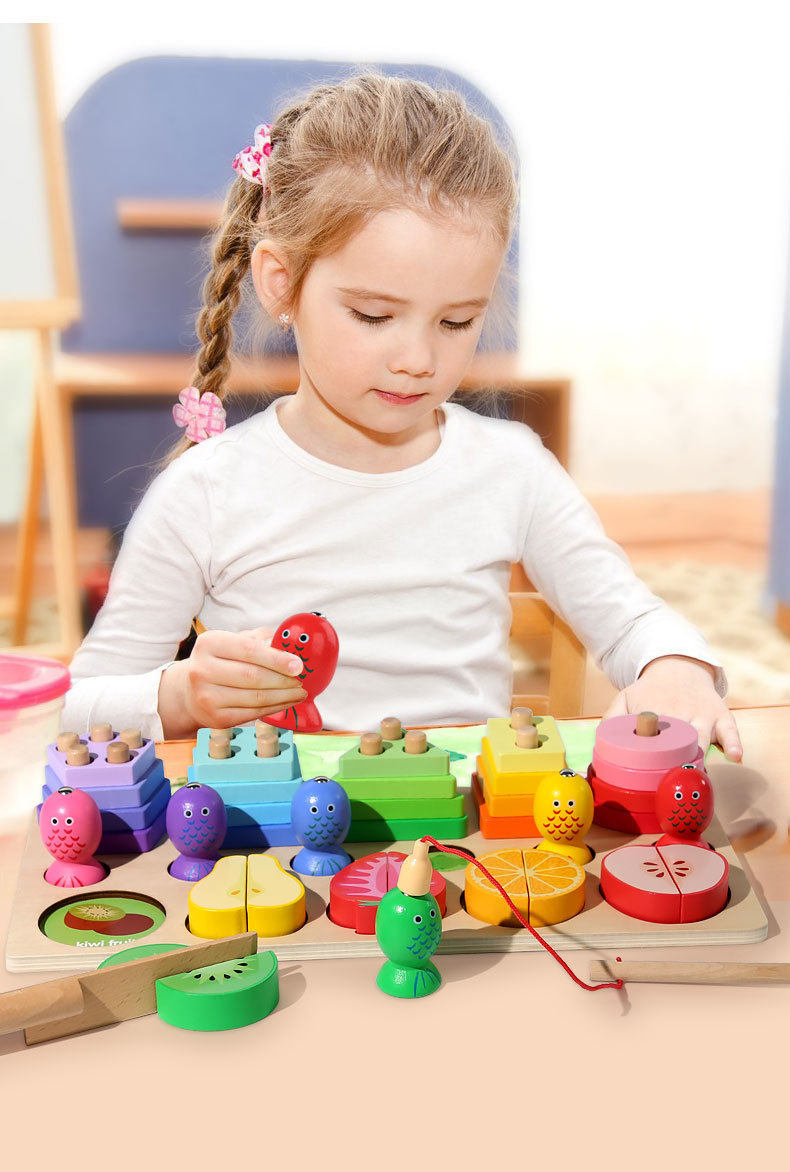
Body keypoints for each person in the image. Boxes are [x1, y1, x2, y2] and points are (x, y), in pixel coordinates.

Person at [62, 71, 742, 762]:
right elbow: (82, 706)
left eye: (457, 321)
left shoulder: (511, 468)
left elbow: (631, 621)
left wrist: (676, 668)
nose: (418, 360)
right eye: (374, 315)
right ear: (281, 284)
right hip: (279, 815)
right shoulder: (204, 492)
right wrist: (182, 695)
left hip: (461, 816)